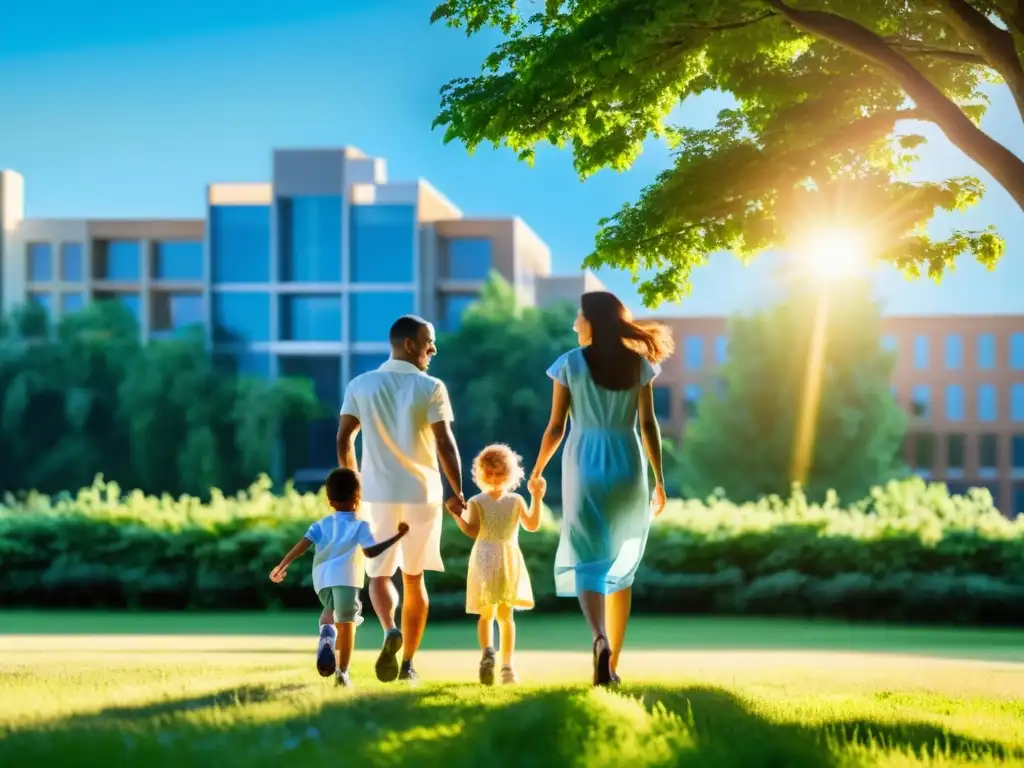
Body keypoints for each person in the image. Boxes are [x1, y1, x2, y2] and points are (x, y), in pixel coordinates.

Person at [529, 291, 673, 687]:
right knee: (621, 564)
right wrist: (660, 480)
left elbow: (556, 427)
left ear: (593, 321)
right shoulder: (639, 365)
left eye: (579, 317)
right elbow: (648, 426)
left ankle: (599, 639)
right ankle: (612, 667)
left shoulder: (569, 365)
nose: (575, 324)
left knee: (587, 556)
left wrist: (538, 468)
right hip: (628, 462)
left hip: (584, 462)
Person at [336, 315, 466, 684]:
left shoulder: (360, 384)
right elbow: (445, 443)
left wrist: (352, 484)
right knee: (414, 579)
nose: (433, 348)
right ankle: (408, 663)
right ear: (409, 344)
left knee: (378, 575)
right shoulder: (432, 387)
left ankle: (390, 628)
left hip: (375, 495)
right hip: (422, 495)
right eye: (429, 341)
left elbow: (345, 438)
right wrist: (458, 493)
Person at [269, 467, 409, 687]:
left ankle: (326, 633)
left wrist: (282, 564)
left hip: (322, 581)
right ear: (358, 499)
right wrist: (397, 536)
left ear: (329, 501)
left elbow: (302, 545)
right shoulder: (360, 526)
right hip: (347, 580)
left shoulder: (321, 524)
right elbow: (370, 552)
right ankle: (342, 673)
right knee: (347, 624)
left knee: (329, 613)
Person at [448, 444, 543, 685]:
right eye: (490, 473)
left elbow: (471, 530)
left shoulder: (480, 501)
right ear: (481, 474)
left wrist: (457, 515)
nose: (494, 478)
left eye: (498, 473)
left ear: (510, 474)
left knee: (493, 614)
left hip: (489, 556)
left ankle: (494, 658)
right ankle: (503, 665)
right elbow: (532, 525)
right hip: (503, 556)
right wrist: (537, 498)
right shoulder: (502, 500)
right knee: (499, 615)